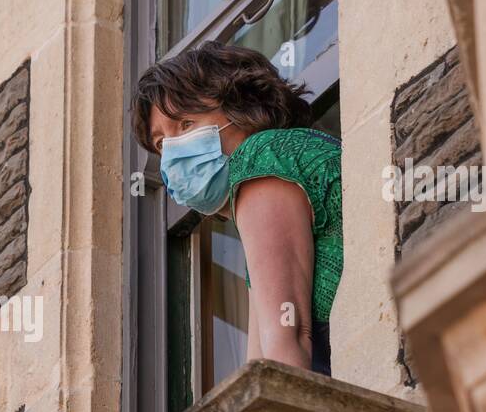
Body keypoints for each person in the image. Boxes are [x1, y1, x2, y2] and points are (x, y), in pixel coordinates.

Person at [132, 41, 341, 376]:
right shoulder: (274, 174)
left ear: (241, 107)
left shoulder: (264, 155)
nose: (172, 151)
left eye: (186, 123)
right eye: (161, 143)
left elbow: (287, 340)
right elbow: (262, 366)